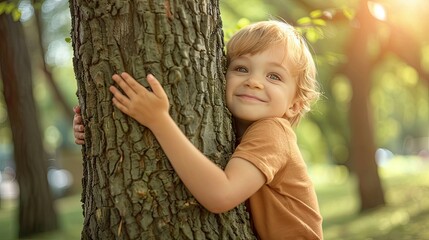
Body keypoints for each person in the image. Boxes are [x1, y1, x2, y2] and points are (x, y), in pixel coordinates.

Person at [73, 20, 323, 239]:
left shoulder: (273, 131)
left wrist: (159, 121)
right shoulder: (238, 129)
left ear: (295, 105)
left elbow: (220, 195)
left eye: (274, 77)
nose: (254, 82)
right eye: (241, 69)